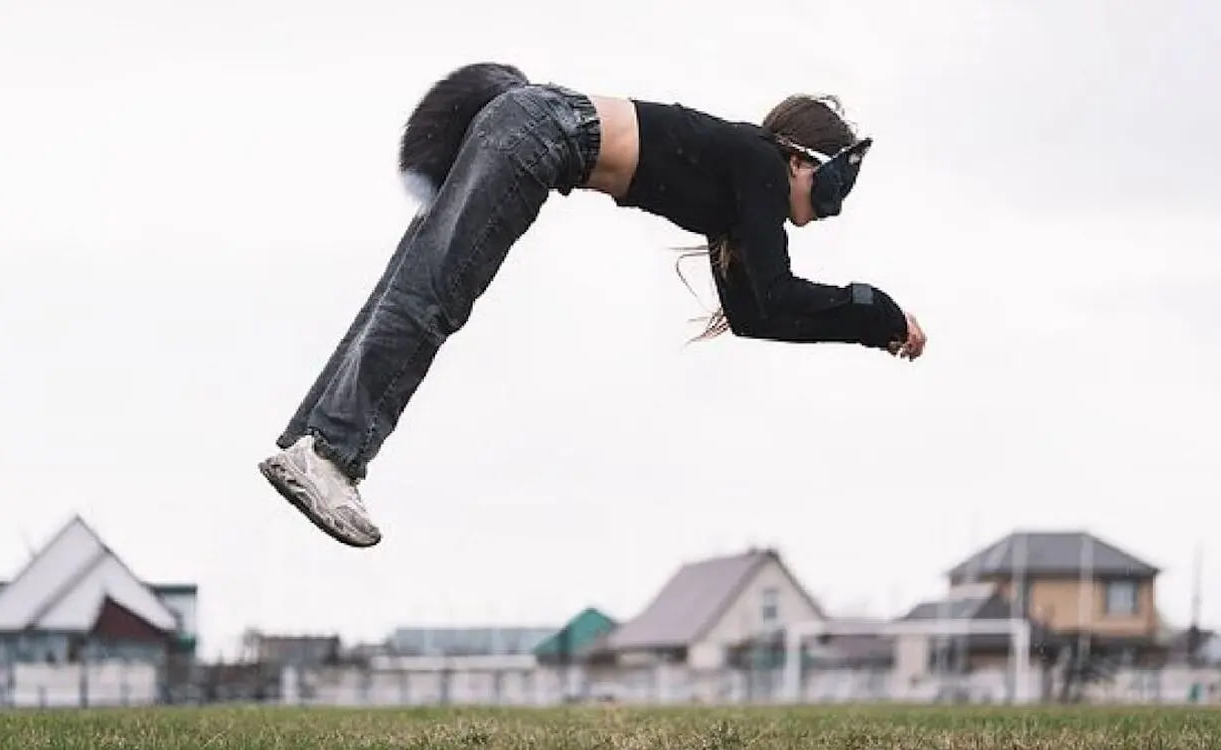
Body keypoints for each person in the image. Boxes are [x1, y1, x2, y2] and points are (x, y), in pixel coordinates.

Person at [259, 62, 928, 548]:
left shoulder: (738, 190)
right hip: (538, 131)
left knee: (414, 287)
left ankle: (310, 447)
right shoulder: (757, 160)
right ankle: (333, 456)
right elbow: (782, 291)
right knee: (432, 297)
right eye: (834, 188)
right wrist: (878, 312)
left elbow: (760, 314)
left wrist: (870, 329)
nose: (830, 212)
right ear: (800, 160)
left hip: (531, 124)